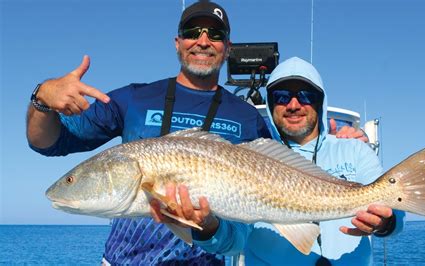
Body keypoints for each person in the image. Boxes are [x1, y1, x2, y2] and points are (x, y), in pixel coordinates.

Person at [26, 1, 274, 264]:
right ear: (177, 42)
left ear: (227, 48)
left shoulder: (247, 116)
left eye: (215, 35)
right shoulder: (134, 99)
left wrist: (211, 227)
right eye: (192, 32)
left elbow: (249, 227)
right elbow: (47, 142)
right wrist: (42, 99)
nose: (203, 41)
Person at [150, 57, 405, 265]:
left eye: (305, 95)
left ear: (320, 101)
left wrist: (386, 222)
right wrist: (205, 227)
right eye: (282, 96)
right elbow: (234, 242)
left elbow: (396, 211)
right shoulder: (248, 161)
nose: (293, 104)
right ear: (271, 105)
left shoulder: (356, 151)